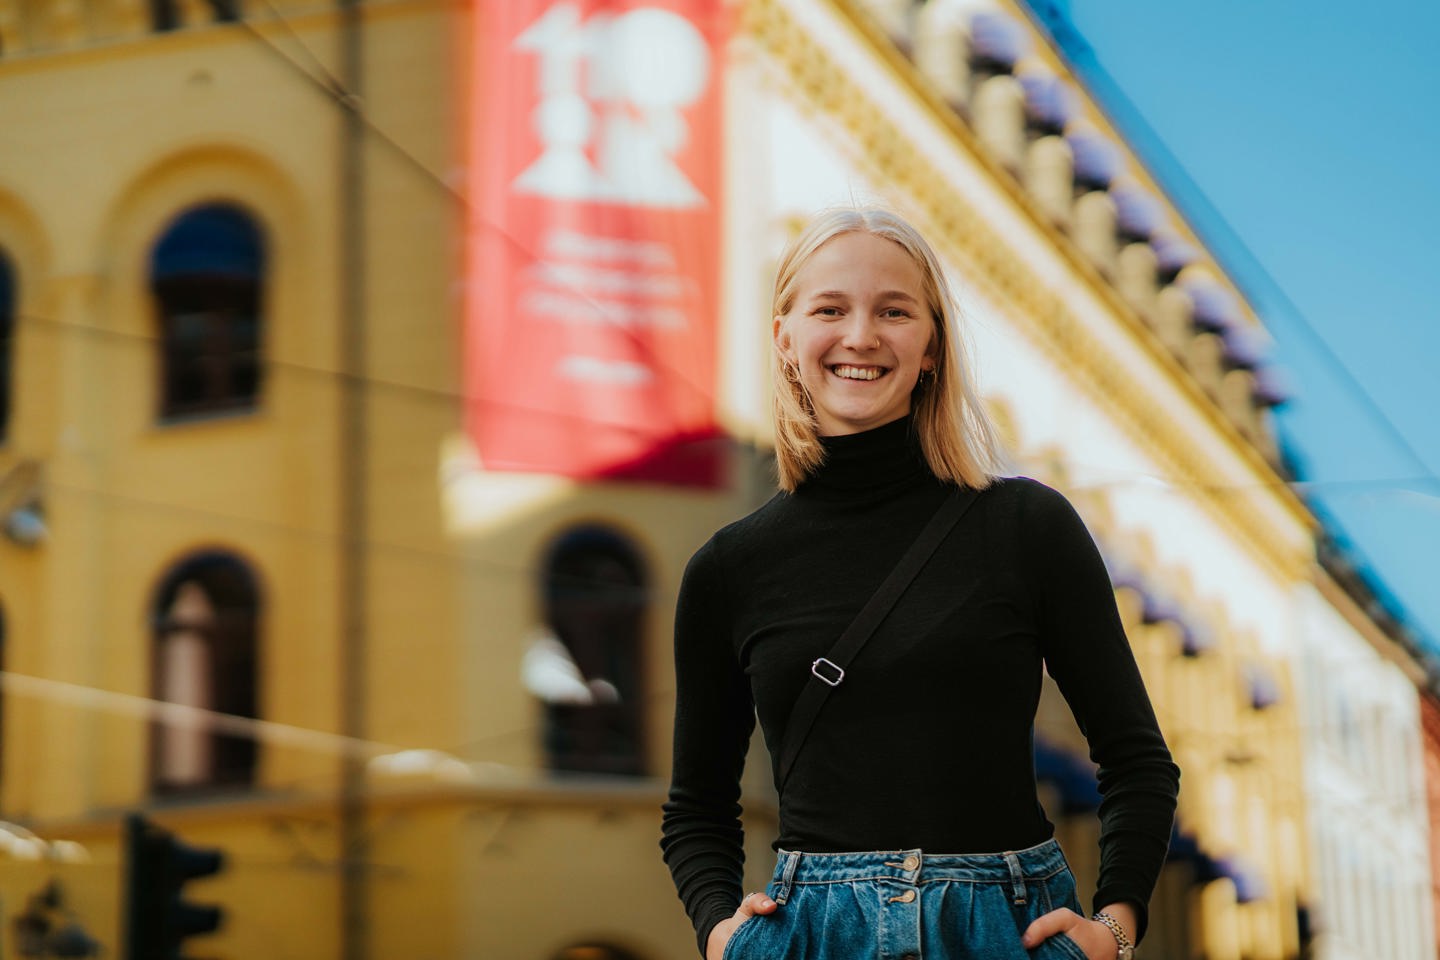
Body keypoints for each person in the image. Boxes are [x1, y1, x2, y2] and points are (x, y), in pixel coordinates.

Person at [660, 207, 1180, 960]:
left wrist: (1114, 929)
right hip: (811, 934)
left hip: (1008, 927)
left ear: (931, 344)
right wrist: (720, 934)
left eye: (894, 311)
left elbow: (1136, 761)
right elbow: (697, 808)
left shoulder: (1027, 525)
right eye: (830, 309)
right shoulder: (728, 567)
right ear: (785, 338)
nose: (862, 335)